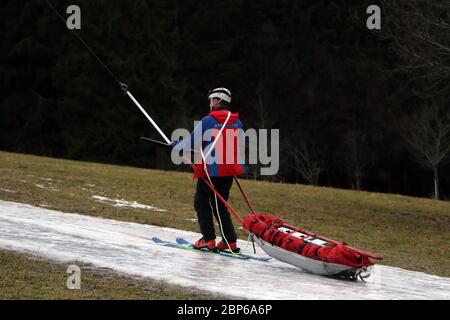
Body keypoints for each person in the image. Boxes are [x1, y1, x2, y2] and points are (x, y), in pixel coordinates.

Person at [172, 87, 246, 252]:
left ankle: (208, 239)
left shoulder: (208, 120)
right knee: (220, 203)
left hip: (213, 169)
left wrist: (176, 145)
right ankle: (230, 241)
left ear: (217, 101)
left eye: (211, 100)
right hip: (229, 169)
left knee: (201, 201)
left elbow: (191, 143)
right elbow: (240, 146)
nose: (210, 103)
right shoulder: (237, 121)